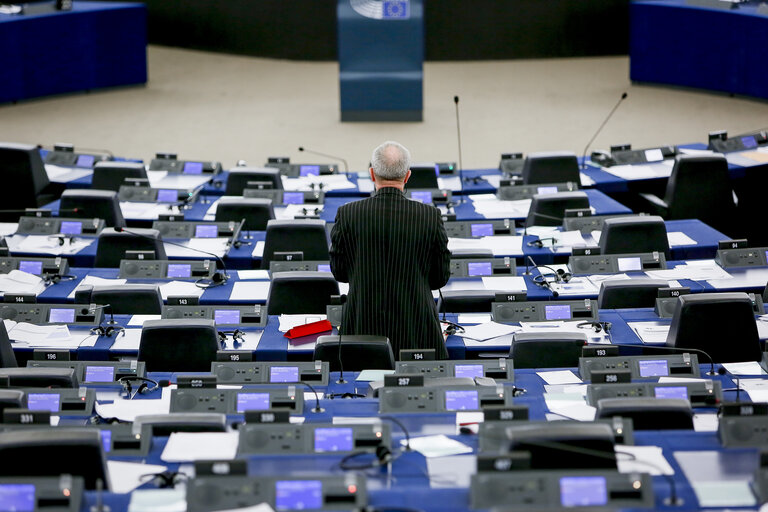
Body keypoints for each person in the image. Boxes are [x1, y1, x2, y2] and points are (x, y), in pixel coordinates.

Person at [330, 141, 451, 359]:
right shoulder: (429, 216)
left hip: (362, 328)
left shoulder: (347, 214)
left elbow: (340, 273)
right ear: (407, 176)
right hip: (417, 331)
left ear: (371, 174)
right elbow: (439, 278)